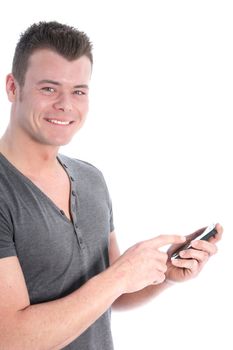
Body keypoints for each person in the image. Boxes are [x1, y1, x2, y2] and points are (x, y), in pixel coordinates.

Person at [0, 21, 223, 350]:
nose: (66, 104)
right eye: (48, 88)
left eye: (79, 91)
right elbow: (10, 337)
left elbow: (111, 294)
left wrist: (165, 275)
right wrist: (120, 275)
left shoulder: (92, 180)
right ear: (13, 87)